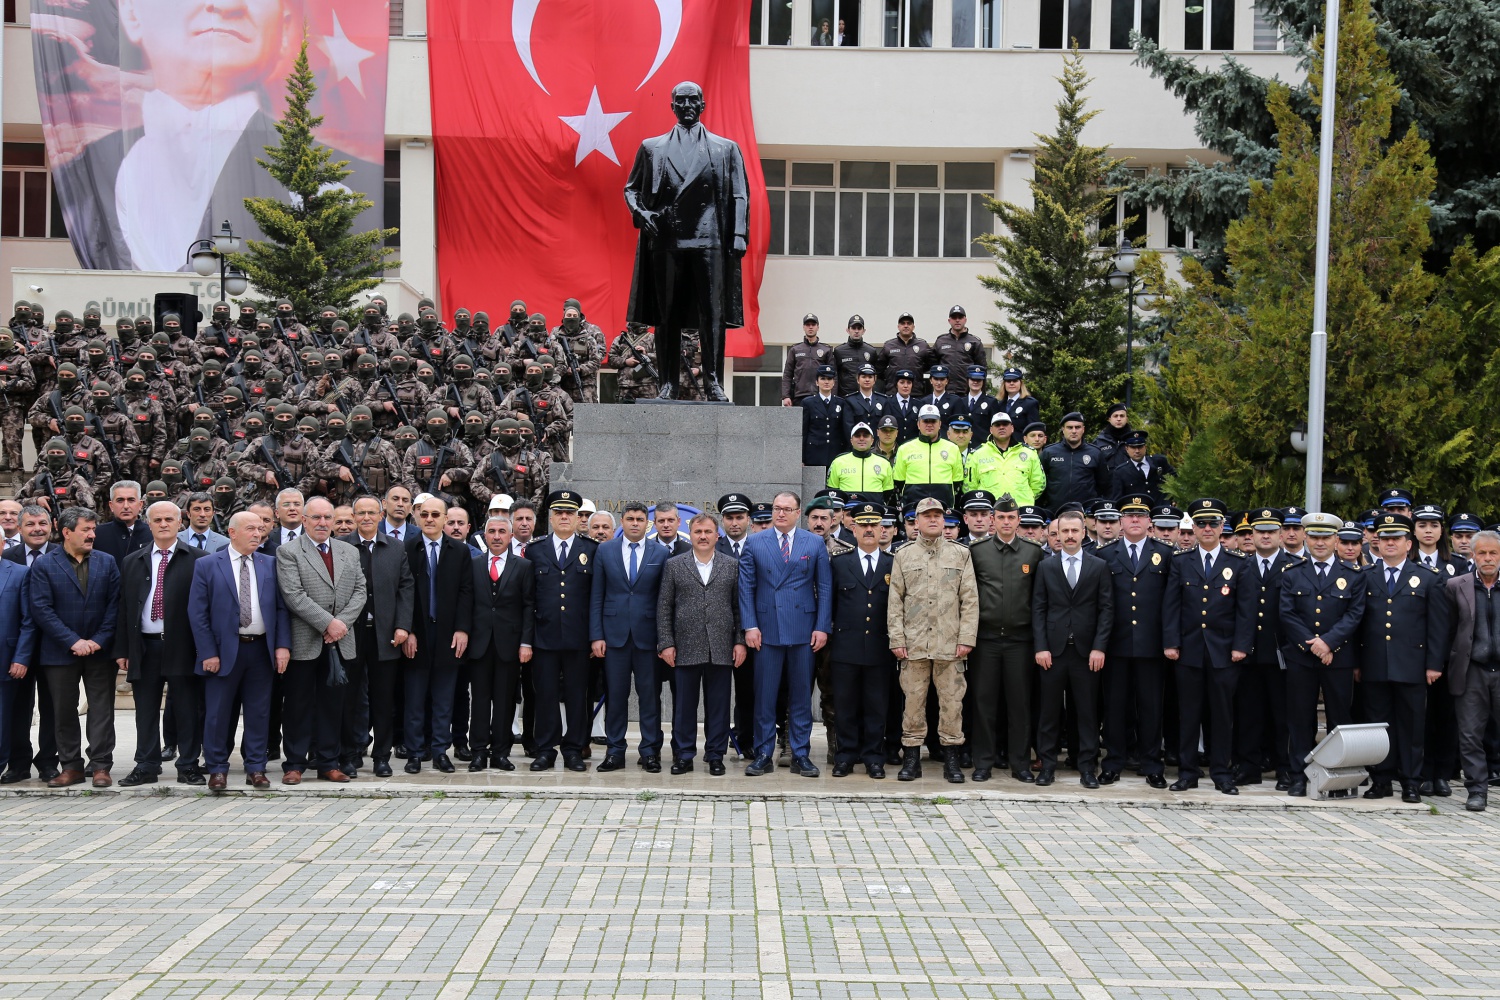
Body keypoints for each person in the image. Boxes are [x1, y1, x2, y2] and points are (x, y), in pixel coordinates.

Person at [47, 0, 383, 271]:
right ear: (132, 11)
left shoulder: (339, 177)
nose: (226, 6)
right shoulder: (85, 173)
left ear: (283, 29)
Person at [623, 82, 747, 402]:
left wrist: (738, 234)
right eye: (681, 100)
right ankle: (668, 384)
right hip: (668, 238)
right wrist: (642, 213)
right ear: (672, 106)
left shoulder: (725, 148)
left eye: (694, 100)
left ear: (703, 104)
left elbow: (739, 194)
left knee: (712, 314)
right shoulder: (652, 148)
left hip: (709, 239)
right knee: (668, 316)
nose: (688, 105)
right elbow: (631, 190)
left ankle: (714, 382)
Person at [189, 511, 291, 790]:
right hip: (222, 652)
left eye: (260, 529)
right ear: (232, 532)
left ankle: (256, 768)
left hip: (260, 650)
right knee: (218, 713)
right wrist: (208, 652)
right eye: (250, 529)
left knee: (259, 712)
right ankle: (217, 768)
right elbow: (198, 614)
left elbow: (282, 609)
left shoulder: (271, 563)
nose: (258, 534)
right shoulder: (207, 564)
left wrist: (282, 646)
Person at [113, 500, 209, 787]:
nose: (164, 524)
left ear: (180, 522)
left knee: (186, 708)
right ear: (149, 523)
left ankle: (188, 764)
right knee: (145, 708)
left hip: (183, 646)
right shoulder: (133, 561)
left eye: (169, 519)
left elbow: (206, 608)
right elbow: (124, 607)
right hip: (145, 645)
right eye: (158, 520)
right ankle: (147, 764)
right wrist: (123, 649)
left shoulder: (198, 559)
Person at [1359, 512, 1452, 803]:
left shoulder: (1428, 579)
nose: (1389, 543)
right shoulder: (1365, 577)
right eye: (1384, 538)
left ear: (1407, 543)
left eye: (1395, 538)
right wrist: (1357, 664)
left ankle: (1411, 781)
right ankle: (1381, 780)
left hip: (1412, 665)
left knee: (1412, 726)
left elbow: (1438, 627)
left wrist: (1434, 664)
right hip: (1374, 665)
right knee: (1378, 726)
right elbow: (1357, 622)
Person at [739, 490, 832, 777]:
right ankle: (764, 753)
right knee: (765, 696)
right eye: (777, 508)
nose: (780, 513)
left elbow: (825, 588)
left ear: (797, 513)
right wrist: (750, 626)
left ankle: (800, 754)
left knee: (801, 696)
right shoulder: (754, 542)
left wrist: (822, 626)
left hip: (804, 630)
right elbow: (746, 588)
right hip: (766, 631)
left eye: (786, 509)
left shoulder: (814, 542)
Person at [1163, 498, 1251, 794]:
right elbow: (1171, 606)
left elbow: (1245, 609)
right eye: (1201, 523)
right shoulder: (1180, 561)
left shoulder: (1238, 564)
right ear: (1194, 528)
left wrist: (1241, 645)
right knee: (1188, 714)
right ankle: (1187, 772)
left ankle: (1221, 772)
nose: (1207, 528)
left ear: (1222, 526)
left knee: (1222, 715)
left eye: (1213, 523)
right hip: (1188, 651)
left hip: (1224, 652)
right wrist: (1171, 643)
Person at [888, 497, 979, 783]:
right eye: (927, 516)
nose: (933, 520)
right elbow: (895, 603)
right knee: (913, 703)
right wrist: (896, 639)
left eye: (937, 516)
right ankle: (912, 759)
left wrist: (966, 638)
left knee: (952, 704)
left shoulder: (960, 554)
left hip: (950, 644)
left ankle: (951, 760)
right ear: (915, 522)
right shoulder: (903, 555)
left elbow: (970, 600)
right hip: (913, 644)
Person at [275, 497, 366, 784]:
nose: (323, 523)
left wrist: (342, 624)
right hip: (305, 642)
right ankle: (294, 764)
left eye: (327, 517)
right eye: (316, 517)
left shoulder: (348, 551)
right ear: (304, 520)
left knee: (333, 705)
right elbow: (293, 595)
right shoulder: (288, 552)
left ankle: (328, 762)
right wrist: (329, 623)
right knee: (298, 705)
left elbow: (361, 591)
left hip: (340, 641)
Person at [29, 507, 121, 788]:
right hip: (58, 652)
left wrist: (97, 640)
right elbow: (41, 609)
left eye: (93, 529)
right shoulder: (44, 564)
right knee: (62, 711)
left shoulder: (107, 562)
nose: (92, 534)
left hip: (99, 650)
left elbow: (115, 606)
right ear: (67, 532)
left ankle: (101, 765)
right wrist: (73, 641)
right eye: (86, 529)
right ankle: (70, 766)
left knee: (102, 709)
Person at [1278, 511, 1366, 797]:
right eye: (1314, 536)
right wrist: (1312, 645)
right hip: (1302, 657)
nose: (1319, 542)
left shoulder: (1353, 575)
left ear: (1336, 540)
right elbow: (1287, 614)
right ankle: (1298, 777)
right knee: (1300, 718)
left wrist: (1328, 644)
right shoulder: (1292, 573)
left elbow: (1355, 615)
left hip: (1338, 658)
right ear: (1306, 537)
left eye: (1326, 537)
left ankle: (1337, 778)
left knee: (1339, 720)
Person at [657, 512, 745, 774]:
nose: (703, 536)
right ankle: (684, 755)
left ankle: (715, 754)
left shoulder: (731, 565)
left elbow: (738, 607)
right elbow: (664, 607)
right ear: (690, 535)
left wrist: (739, 641)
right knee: (684, 705)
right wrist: (666, 642)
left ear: (717, 535)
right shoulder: (675, 565)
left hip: (721, 646)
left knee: (718, 706)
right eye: (698, 532)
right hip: (684, 646)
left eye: (708, 532)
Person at [1030, 509, 1113, 787]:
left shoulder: (1098, 566)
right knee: (1049, 713)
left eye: (1074, 531)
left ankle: (1087, 768)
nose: (1069, 536)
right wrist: (1040, 647)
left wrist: (1099, 648)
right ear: (1056, 534)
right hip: (1052, 653)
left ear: (1083, 533)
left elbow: (1106, 610)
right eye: (1063, 531)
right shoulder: (1046, 567)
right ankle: (1047, 767)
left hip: (1087, 653)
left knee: (1087, 714)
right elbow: (1038, 609)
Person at [966, 494, 1045, 782]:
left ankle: (1020, 764)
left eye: (1011, 517)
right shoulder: (977, 551)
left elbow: (1039, 599)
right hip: (985, 639)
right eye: (1001, 517)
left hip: (1020, 641)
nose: (1007, 522)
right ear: (992, 520)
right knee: (984, 703)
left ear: (1018, 521)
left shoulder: (1033, 552)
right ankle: (983, 763)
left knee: (1019, 704)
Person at [590, 501, 669, 772]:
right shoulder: (605, 550)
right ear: (622, 522)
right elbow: (597, 595)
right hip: (614, 637)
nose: (635, 523)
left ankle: (649, 752)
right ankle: (615, 751)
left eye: (639, 519)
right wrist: (596, 636)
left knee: (649, 696)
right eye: (630, 518)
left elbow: (664, 599)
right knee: (616, 695)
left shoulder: (660, 552)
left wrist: (665, 638)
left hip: (648, 637)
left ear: (646, 523)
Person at [340, 495, 414, 778]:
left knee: (384, 700)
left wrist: (402, 626)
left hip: (385, 636)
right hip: (350, 634)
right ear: (354, 516)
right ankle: (349, 754)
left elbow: (406, 588)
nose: (366, 518)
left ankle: (381, 756)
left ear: (381, 515)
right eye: (361, 513)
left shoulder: (395, 547)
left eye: (372, 513)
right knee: (350, 699)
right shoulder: (342, 546)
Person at [524, 490, 598, 771]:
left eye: (570, 513)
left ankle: (574, 748)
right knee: (545, 695)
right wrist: (528, 640)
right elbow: (528, 599)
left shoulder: (591, 549)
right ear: (551, 517)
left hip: (579, 639)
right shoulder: (535, 549)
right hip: (544, 637)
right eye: (559, 513)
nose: (565, 517)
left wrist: (594, 637)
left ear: (579, 517)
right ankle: (545, 749)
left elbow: (595, 598)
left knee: (579, 695)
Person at [402, 496, 474, 774]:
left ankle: (440, 751)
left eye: (436, 514)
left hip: (448, 634)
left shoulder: (460, 551)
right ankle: (415, 753)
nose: (430, 519)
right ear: (417, 517)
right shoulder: (408, 549)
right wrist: (407, 630)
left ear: (445, 519)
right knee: (415, 698)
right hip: (416, 635)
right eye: (425, 514)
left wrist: (462, 629)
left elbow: (466, 592)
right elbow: (403, 594)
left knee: (444, 698)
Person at [827, 502, 895, 778]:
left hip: (880, 648)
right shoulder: (840, 563)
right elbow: (830, 606)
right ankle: (845, 756)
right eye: (863, 525)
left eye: (874, 525)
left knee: (876, 706)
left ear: (882, 529)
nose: (868, 530)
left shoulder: (894, 563)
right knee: (845, 705)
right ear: (852, 529)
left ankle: (874, 757)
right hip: (846, 648)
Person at [1231, 508, 1295, 789]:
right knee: (1248, 715)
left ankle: (1285, 769)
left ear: (1281, 535)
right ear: (1251, 535)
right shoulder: (1239, 566)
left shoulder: (1294, 566)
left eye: (1271, 531)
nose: (1265, 536)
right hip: (1248, 652)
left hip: (1281, 653)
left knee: (1283, 717)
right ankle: (1249, 767)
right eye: (1260, 531)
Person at [467, 513, 534, 772]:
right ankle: (478, 752)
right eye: (492, 532)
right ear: (485, 535)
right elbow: (467, 603)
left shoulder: (523, 566)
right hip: (480, 643)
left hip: (510, 644)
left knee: (505, 701)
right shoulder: (473, 564)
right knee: (480, 700)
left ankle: (500, 753)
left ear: (510, 536)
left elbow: (529, 607)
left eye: (501, 532)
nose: (496, 536)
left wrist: (526, 642)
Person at [0, 505, 59, 785]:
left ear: (52, 525)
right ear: (20, 529)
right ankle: (18, 762)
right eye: (31, 524)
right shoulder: (7, 556)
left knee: (52, 707)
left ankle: (48, 761)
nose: (37, 529)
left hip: (53, 646)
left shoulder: (63, 555)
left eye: (43, 523)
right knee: (17, 708)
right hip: (16, 651)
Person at [1446, 530, 1500, 811]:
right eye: (1482, 553)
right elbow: (1450, 629)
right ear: (1473, 555)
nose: (1488, 558)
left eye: (1493, 553)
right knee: (1469, 734)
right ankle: (1477, 790)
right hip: (1472, 671)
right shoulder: (1457, 586)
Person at [0, 550, 36, 789]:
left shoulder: (20, 573)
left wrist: (21, 658)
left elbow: (28, 619)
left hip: (6, 659)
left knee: (3, 718)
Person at [892, 406, 965, 509]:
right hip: (913, 505)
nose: (929, 425)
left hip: (944, 505)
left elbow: (957, 481)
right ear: (918, 424)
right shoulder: (904, 449)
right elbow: (899, 481)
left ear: (939, 424)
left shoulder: (952, 448)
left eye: (933, 421)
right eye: (926, 421)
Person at [966, 412, 1044, 506]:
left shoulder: (1029, 453)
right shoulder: (977, 454)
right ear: (991, 429)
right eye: (997, 425)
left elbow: (1039, 484)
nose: (1001, 427)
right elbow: (969, 486)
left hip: (1021, 510)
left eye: (1005, 424)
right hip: (990, 510)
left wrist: (1026, 498)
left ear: (1012, 428)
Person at [1040, 413, 1110, 510]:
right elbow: (1040, 482)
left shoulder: (1095, 453)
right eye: (1070, 427)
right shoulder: (1049, 452)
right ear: (1063, 430)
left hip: (1085, 511)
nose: (1074, 431)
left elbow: (1103, 484)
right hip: (1055, 511)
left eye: (1077, 427)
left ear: (1083, 429)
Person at [781, 314, 834, 406]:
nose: (810, 327)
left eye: (813, 325)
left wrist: (833, 396)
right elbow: (787, 375)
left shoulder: (826, 349)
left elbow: (833, 376)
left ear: (818, 327)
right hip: (799, 396)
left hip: (820, 395)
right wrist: (786, 396)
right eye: (807, 325)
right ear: (803, 327)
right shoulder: (795, 349)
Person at [92, 481, 149, 563]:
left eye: (131, 500)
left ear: (140, 505)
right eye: (120, 500)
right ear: (111, 506)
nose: (126, 506)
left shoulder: (153, 534)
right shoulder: (97, 534)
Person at [801, 366, 845, 469]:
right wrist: (802, 458)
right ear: (817, 382)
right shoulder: (808, 403)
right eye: (823, 379)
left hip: (835, 454)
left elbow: (843, 431)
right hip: (814, 455)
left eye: (829, 379)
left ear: (834, 383)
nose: (826, 382)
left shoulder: (841, 403)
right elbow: (804, 432)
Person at [876, 313, 930, 395]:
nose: (906, 326)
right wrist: (890, 377)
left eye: (909, 323)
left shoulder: (922, 345)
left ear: (913, 327)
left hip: (916, 392)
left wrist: (917, 370)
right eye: (903, 323)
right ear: (898, 327)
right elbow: (879, 369)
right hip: (893, 393)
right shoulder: (889, 345)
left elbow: (931, 364)